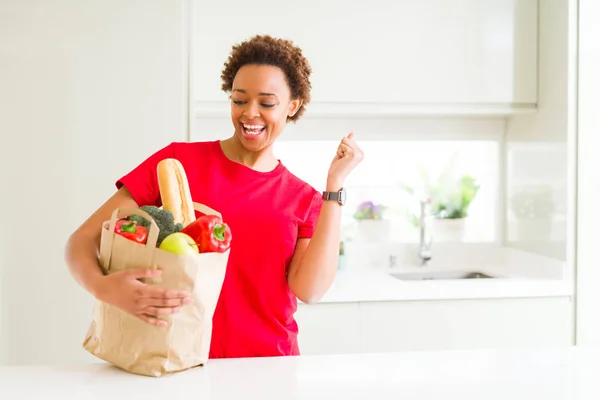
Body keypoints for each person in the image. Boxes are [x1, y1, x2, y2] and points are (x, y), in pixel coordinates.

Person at [65, 34, 364, 359]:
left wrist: (335, 185)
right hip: (177, 359)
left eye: (267, 103)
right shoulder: (176, 164)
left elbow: (310, 290)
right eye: (239, 100)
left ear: (292, 105)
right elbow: (82, 240)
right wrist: (103, 287)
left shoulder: (304, 199)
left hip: (269, 367)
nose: (250, 113)